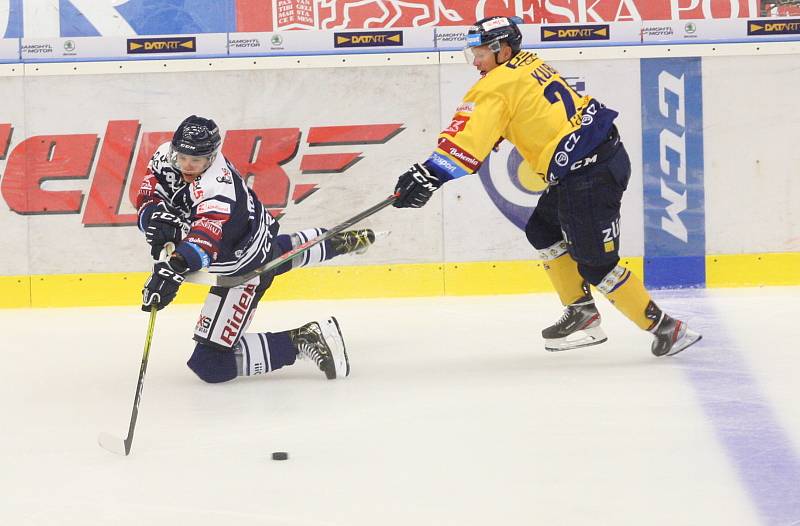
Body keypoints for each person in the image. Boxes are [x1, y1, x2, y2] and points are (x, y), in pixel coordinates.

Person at [391, 16, 701, 357]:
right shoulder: (529, 63)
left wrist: (427, 174)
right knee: (542, 228)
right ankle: (581, 310)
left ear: (502, 50)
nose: (475, 62)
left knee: (597, 265)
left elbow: (464, 144)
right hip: (600, 160)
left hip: (589, 176)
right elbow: (527, 111)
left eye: (479, 53)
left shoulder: (493, 87)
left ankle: (667, 329)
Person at [136, 115, 377, 382]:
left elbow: (204, 240)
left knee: (211, 365)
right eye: (182, 157)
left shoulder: (217, 188)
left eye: (197, 160)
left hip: (243, 266)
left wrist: (176, 268)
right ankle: (334, 242)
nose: (187, 165)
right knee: (275, 254)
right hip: (252, 234)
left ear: (212, 156)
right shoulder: (163, 155)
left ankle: (304, 339)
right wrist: (153, 220)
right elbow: (149, 194)